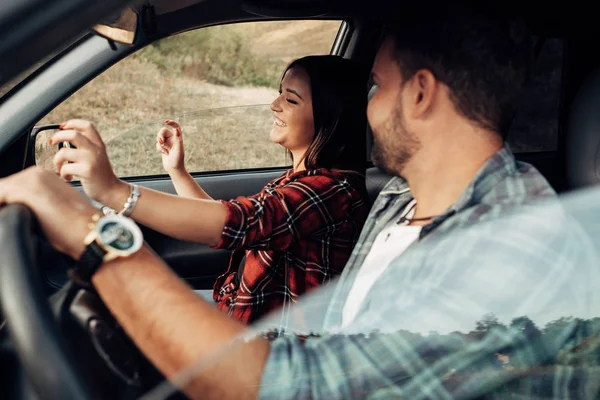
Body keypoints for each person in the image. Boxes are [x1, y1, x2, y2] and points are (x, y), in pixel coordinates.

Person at [1, 6, 598, 399]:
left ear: (419, 94)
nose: (368, 105)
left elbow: (294, 385)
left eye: (376, 86)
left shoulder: (511, 251)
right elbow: (332, 343)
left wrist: (92, 221)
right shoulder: (398, 201)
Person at [49, 55, 371, 330]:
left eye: (290, 99)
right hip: (240, 320)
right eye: (279, 94)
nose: (274, 105)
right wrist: (178, 171)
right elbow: (234, 225)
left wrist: (113, 191)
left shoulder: (331, 191)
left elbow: (241, 223)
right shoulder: (301, 180)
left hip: (272, 351)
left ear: (329, 117)